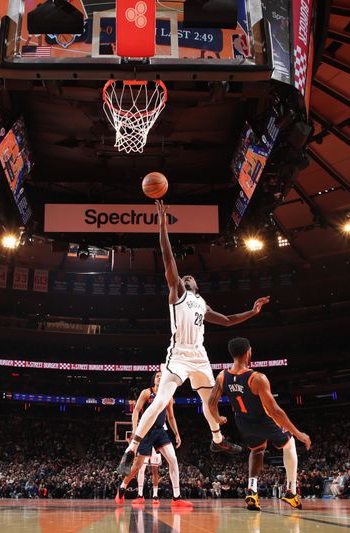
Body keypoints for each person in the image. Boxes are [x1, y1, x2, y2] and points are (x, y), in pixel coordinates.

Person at [119, 200, 270, 473]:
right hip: (178, 355)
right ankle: (132, 448)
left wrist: (252, 311)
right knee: (162, 401)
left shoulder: (201, 303)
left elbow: (227, 321)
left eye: (189, 277)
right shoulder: (177, 292)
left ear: (196, 286)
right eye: (183, 276)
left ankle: (217, 440)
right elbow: (168, 258)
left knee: (210, 398)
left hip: (199, 355)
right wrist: (163, 226)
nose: (185, 276)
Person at [208, 337, 311, 511]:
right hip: (262, 419)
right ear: (248, 352)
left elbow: (211, 403)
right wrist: (300, 434)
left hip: (242, 421)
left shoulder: (222, 376)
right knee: (290, 442)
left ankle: (252, 491)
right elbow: (275, 412)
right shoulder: (257, 378)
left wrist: (218, 418)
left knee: (257, 450)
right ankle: (291, 492)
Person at [115, 371, 192, 508]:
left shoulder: (168, 395)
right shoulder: (147, 392)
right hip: (146, 431)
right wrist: (134, 430)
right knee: (138, 466)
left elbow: (171, 417)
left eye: (162, 376)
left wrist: (177, 433)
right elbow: (136, 410)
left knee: (173, 460)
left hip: (160, 431)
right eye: (157, 375)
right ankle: (122, 486)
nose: (160, 377)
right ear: (153, 379)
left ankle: (176, 497)